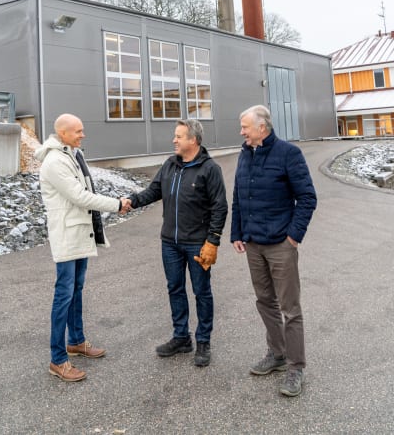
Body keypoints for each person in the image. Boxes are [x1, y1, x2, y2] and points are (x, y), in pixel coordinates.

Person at [122, 119, 228, 367]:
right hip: (170, 242)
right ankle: (181, 338)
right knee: (175, 288)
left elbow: (219, 207)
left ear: (193, 140)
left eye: (179, 136)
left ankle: (203, 341)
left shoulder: (210, 169)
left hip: (197, 244)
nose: (174, 140)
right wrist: (131, 201)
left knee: (202, 292)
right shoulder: (170, 165)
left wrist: (213, 240)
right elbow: (153, 191)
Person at [35, 113, 131, 382]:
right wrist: (116, 203)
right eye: (78, 131)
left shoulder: (73, 155)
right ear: (63, 134)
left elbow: (85, 190)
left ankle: (75, 341)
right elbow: (79, 196)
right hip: (67, 236)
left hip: (80, 234)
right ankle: (58, 360)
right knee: (63, 295)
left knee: (76, 290)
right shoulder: (55, 162)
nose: (82, 134)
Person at [231, 105, 317, 397]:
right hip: (253, 242)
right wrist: (237, 233)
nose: (241, 132)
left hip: (281, 243)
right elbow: (239, 198)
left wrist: (293, 237)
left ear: (262, 128)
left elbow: (307, 198)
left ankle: (296, 367)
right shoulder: (245, 154)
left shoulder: (288, 154)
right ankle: (277, 354)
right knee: (264, 301)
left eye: (245, 127)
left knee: (290, 309)